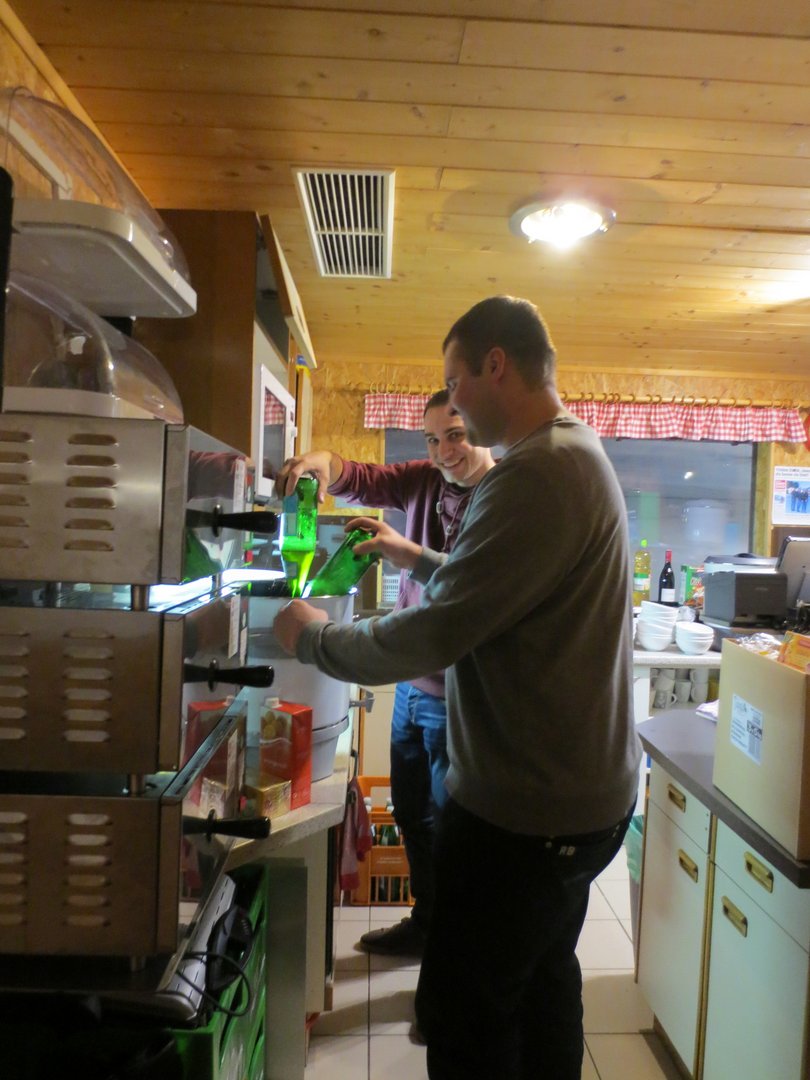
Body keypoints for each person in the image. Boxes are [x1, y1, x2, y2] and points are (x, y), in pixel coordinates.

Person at [274, 296, 641, 1080]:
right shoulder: (575, 450)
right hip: (583, 803)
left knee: (465, 1020)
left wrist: (312, 638)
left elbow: (437, 632)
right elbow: (495, 588)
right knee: (542, 985)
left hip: (526, 816)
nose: (453, 408)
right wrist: (414, 558)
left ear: (494, 365)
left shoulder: (534, 473)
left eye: (455, 382)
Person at [275, 391, 495, 956]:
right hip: (411, 686)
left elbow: (475, 591)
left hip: (459, 693)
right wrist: (318, 463)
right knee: (412, 813)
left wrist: (406, 552)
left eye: (456, 435)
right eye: (432, 439)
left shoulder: (503, 498)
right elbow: (358, 476)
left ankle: (452, 951)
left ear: (483, 429)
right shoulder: (423, 480)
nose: (443, 451)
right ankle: (427, 923)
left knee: (453, 827)